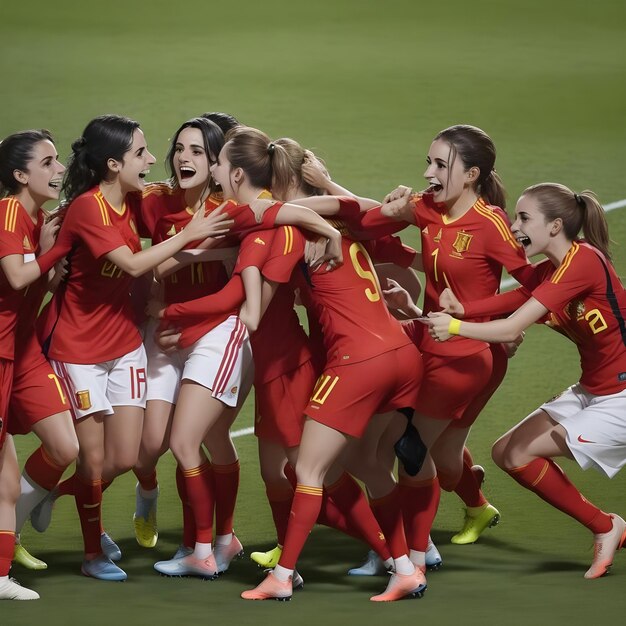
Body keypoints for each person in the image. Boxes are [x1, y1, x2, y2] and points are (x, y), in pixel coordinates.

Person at [210, 127, 426, 602]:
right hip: (402, 355)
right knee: (369, 465)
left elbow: (261, 218)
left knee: (306, 472)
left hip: (359, 362)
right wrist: (330, 188)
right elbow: (383, 213)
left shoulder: (290, 226)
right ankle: (406, 564)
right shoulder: (347, 218)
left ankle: (283, 577)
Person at [30, 114, 233, 582]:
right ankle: (92, 545)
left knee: (131, 455)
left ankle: (73, 495)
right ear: (113, 162)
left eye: (195, 151)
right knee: (114, 456)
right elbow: (138, 263)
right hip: (88, 347)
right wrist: (184, 247)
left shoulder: (179, 200)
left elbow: (267, 225)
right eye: (164, 150)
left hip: (143, 340)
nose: (173, 159)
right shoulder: (131, 203)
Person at [427, 182, 626, 579]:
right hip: (594, 389)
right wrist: (464, 308)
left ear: (555, 226)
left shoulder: (583, 261)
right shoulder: (554, 268)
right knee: (508, 453)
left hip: (622, 396)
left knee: (528, 451)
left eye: (523, 218)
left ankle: (606, 526)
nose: (514, 226)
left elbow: (511, 326)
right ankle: (607, 526)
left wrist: (455, 326)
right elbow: (517, 297)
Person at [0, 129, 67, 599]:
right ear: (21, 175)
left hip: (22, 354)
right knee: (3, 480)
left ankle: (35, 503)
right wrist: (52, 253)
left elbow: (30, 292)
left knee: (66, 445)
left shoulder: (38, 216)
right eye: (48, 162)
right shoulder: (7, 213)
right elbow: (20, 274)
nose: (59, 169)